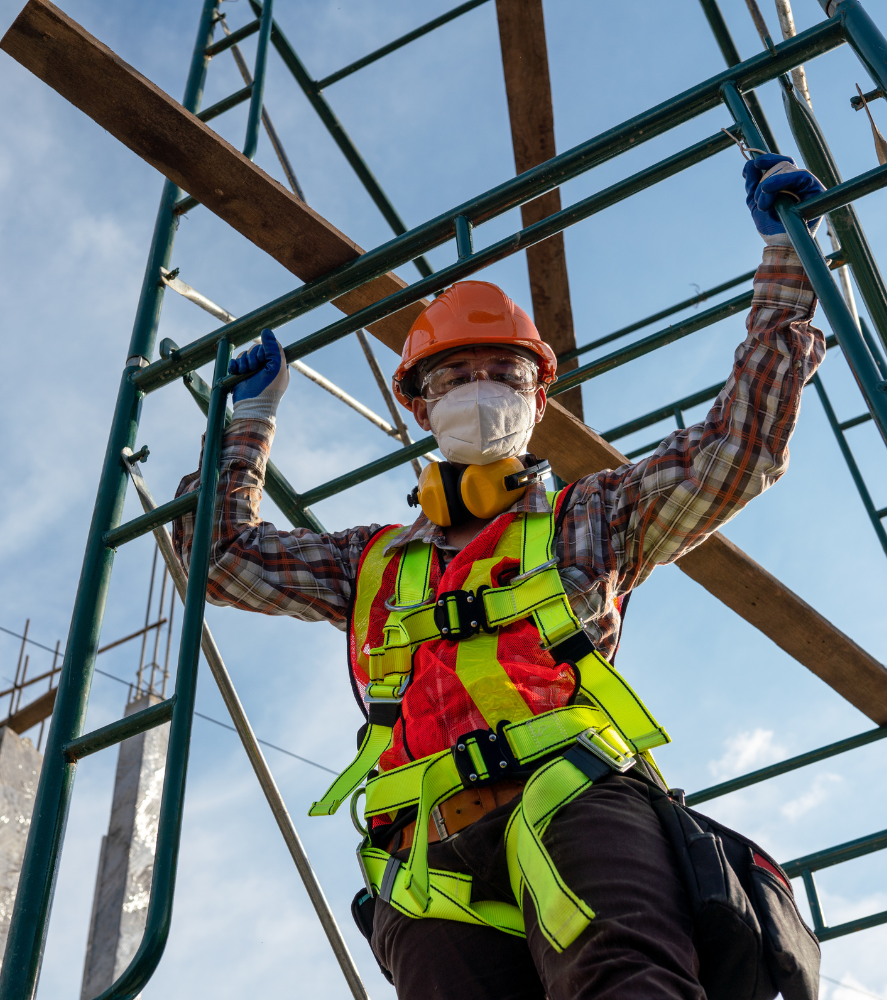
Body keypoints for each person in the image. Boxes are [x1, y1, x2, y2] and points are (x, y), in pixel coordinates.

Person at [172, 154, 826, 999]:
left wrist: (785, 275)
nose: (479, 390)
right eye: (455, 375)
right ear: (419, 402)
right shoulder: (368, 563)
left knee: (627, 985)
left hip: (578, 802)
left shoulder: (591, 521)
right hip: (426, 856)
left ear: (539, 399)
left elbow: (736, 451)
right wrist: (245, 425)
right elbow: (221, 561)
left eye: (503, 375)